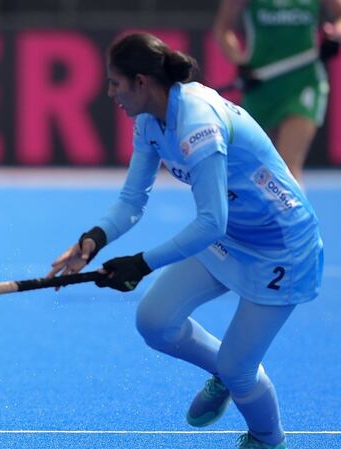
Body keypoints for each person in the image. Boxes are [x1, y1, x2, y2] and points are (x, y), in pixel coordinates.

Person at [48, 33, 323, 449]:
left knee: (240, 370)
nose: (110, 93)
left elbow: (211, 221)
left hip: (281, 247)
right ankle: (226, 374)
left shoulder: (198, 124)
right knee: (155, 321)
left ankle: (269, 440)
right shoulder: (149, 122)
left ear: (141, 82)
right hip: (232, 237)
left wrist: (141, 263)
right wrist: (93, 239)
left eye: (116, 83)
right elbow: (131, 200)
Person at [213, 0, 341, 182]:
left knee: (286, 170)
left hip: (305, 83)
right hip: (261, 86)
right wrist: (240, 63)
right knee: (254, 170)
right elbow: (223, 28)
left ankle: (295, 209)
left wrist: (335, 35)